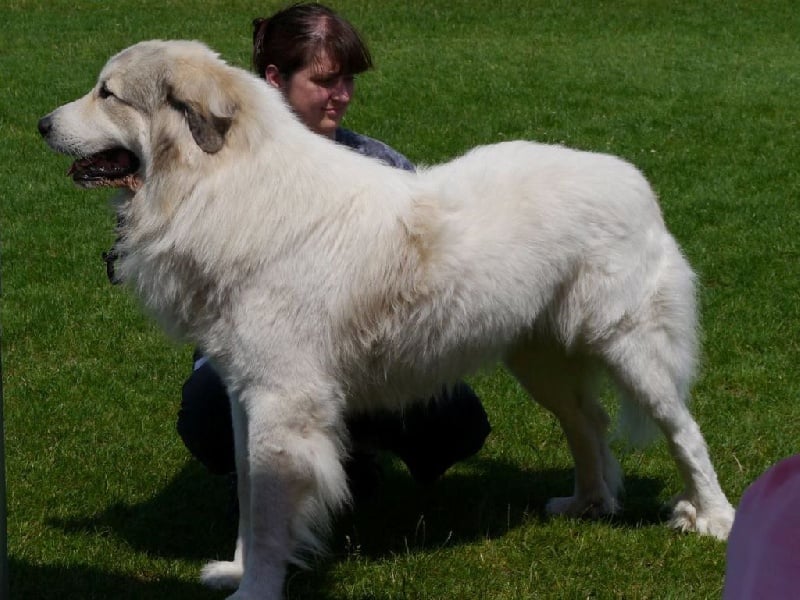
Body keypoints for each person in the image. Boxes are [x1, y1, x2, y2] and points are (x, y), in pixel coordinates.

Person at [175, 2, 491, 499]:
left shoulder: (378, 164)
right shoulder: (222, 172)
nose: (341, 95)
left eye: (348, 80)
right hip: (254, 360)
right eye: (325, 81)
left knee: (458, 417)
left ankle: (351, 455)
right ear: (275, 79)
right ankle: (261, 474)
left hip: (364, 359)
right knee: (208, 408)